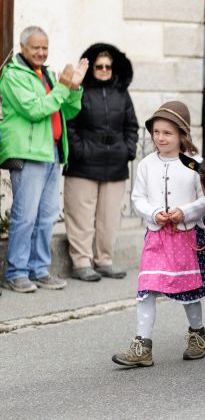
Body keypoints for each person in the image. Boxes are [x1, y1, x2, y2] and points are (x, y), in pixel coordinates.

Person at [111, 101, 205, 367]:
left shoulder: (196, 165)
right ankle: (142, 346)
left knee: (189, 290)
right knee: (145, 290)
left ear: (182, 135)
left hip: (186, 237)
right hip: (156, 237)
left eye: (167, 133)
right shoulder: (147, 164)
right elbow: (137, 198)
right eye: (156, 132)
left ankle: (197, 335)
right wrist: (153, 213)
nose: (160, 137)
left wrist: (185, 212)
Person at [0, 26, 87, 293]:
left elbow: (69, 110)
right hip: (28, 152)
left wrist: (74, 88)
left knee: (47, 216)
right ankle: (15, 272)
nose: (41, 52)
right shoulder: (13, 75)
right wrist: (62, 87)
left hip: (52, 152)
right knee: (25, 216)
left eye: (45, 47)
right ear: (23, 47)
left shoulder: (48, 74)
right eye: (36, 47)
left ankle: (39, 270)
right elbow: (36, 110)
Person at [64, 43, 138, 282]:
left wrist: (128, 150)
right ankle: (81, 262)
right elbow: (70, 124)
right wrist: (79, 151)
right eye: (99, 66)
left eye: (108, 66)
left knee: (109, 217)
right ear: (91, 67)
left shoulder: (121, 93)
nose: (104, 69)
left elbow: (131, 125)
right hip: (83, 163)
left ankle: (104, 260)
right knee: (80, 216)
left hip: (115, 162)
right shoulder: (80, 90)